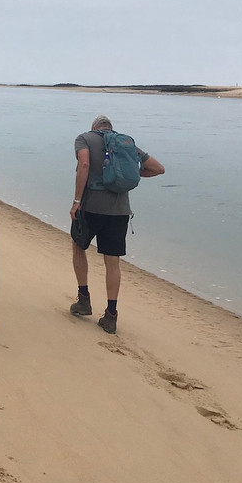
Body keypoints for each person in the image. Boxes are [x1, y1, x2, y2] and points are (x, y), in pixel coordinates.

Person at [69, 115, 165, 334]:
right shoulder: (126, 144)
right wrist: (129, 173)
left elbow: (84, 163)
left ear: (94, 128)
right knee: (112, 262)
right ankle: (111, 315)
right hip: (119, 211)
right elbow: (159, 169)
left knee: (78, 246)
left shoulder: (84, 139)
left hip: (90, 207)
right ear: (111, 129)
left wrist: (76, 201)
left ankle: (84, 300)